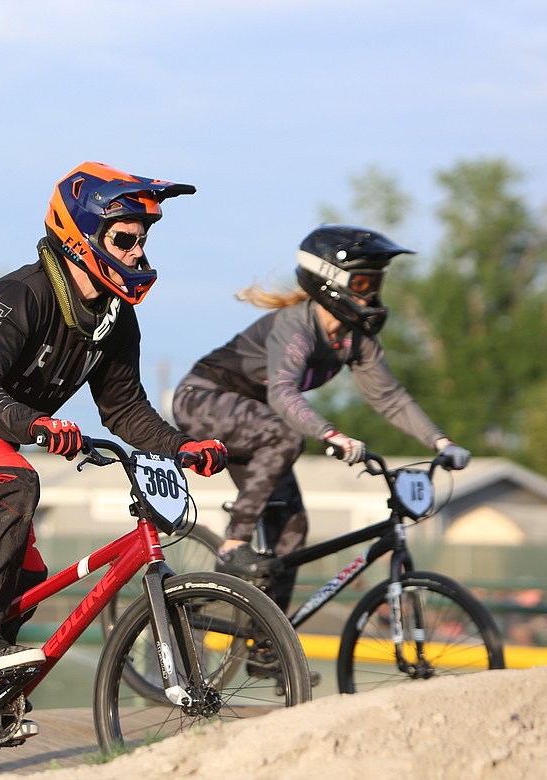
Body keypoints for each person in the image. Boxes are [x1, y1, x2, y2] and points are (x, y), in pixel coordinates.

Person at [0, 161, 228, 695]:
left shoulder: (116, 317)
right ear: (81, 236)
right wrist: (36, 424)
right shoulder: (18, 295)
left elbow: (124, 410)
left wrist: (184, 446)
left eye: (143, 240)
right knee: (15, 482)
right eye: (125, 240)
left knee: (29, 574)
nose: (139, 253)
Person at [172, 224, 471, 612]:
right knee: (285, 437)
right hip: (204, 399)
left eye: (376, 284)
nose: (373, 295)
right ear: (330, 281)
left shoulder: (355, 340)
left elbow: (390, 398)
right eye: (363, 284)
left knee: (293, 528)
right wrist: (330, 434)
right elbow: (282, 392)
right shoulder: (297, 325)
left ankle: (265, 643)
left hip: (257, 422)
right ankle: (234, 543)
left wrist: (441, 443)